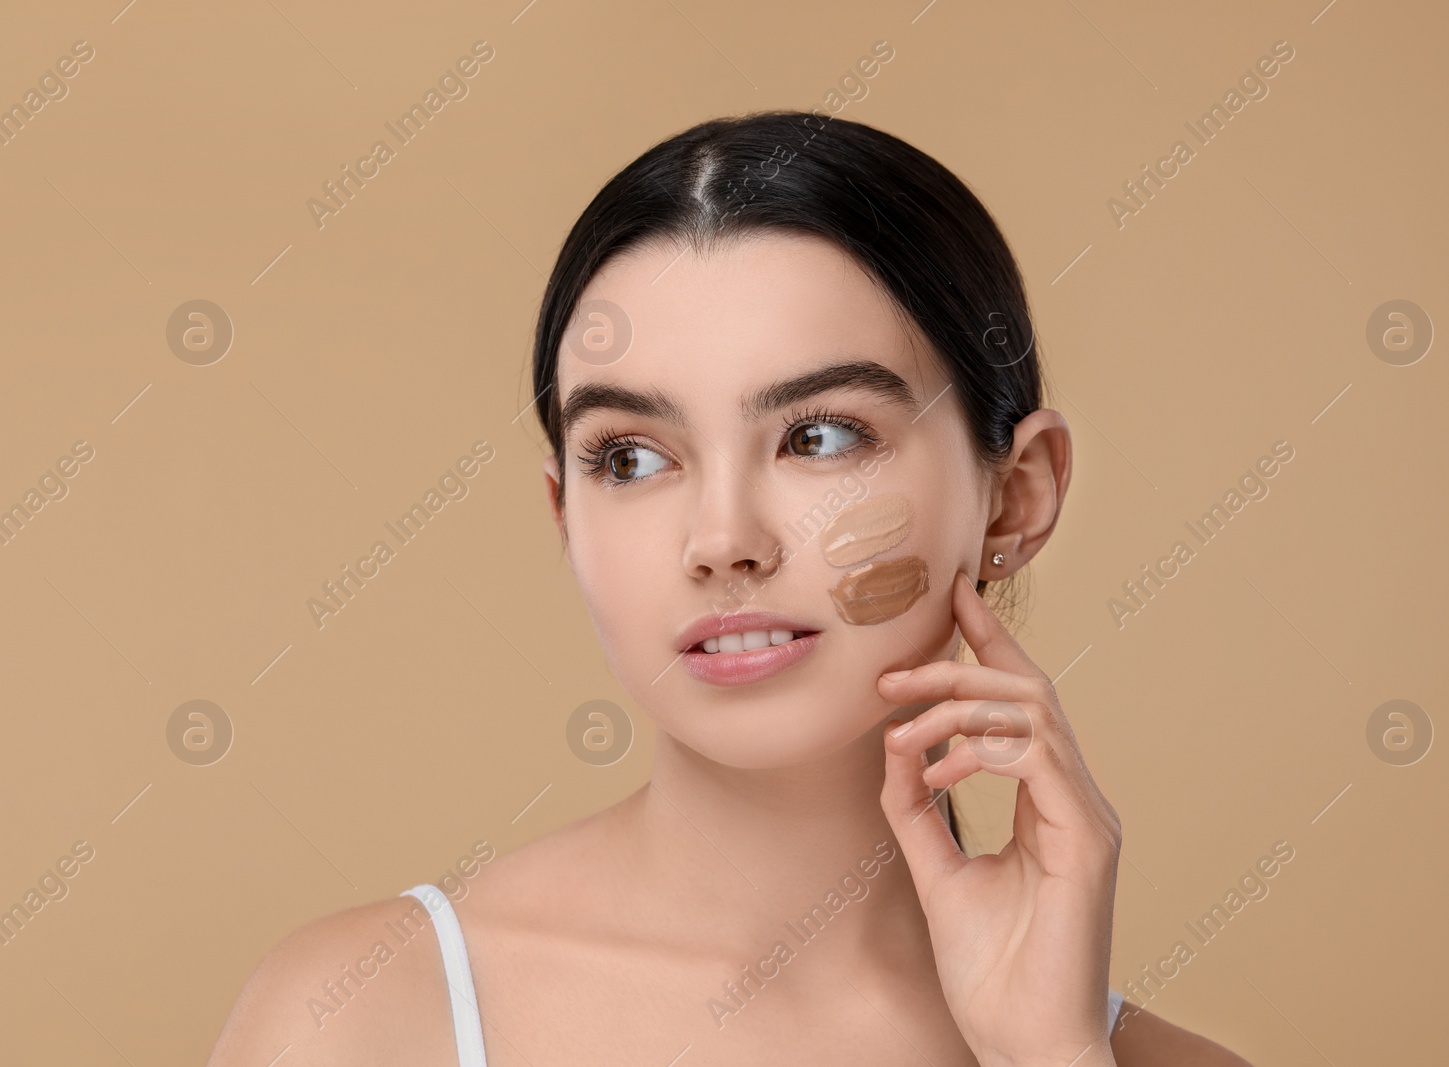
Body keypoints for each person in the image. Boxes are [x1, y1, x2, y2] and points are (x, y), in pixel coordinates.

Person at [210, 111, 1250, 1066]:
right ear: (564, 512)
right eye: (628, 456)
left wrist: (1048, 1055)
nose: (720, 541)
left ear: (1015, 498)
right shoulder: (360, 1017)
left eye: (821, 435)